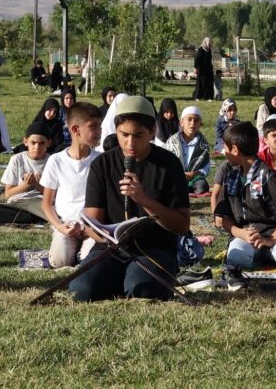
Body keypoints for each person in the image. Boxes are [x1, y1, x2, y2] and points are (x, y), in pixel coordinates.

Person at [68, 96, 190, 302]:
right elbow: (92, 222)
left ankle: (129, 279)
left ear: (153, 132)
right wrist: (106, 237)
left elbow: (182, 225)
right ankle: (119, 277)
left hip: (154, 249)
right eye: (124, 135)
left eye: (138, 135)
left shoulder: (169, 164)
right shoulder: (103, 164)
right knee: (80, 290)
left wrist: (143, 199)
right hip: (110, 249)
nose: (130, 143)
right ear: (116, 130)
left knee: (142, 289)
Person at [215, 122, 276, 269]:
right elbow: (223, 218)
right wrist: (240, 233)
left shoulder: (268, 175)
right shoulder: (230, 177)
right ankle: (261, 257)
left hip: (274, 235)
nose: (224, 152)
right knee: (236, 258)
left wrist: (272, 239)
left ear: (235, 150)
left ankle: (269, 254)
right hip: (245, 237)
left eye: (225, 148)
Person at [40, 102, 102, 267]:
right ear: (75, 130)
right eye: (93, 127)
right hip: (67, 226)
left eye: (100, 127)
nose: (99, 132)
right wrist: (60, 227)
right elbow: (46, 204)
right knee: (60, 261)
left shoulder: (101, 160)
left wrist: (92, 229)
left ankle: (84, 253)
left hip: (93, 228)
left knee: (92, 262)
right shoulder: (57, 161)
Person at [0, 122, 50, 225]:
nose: (37, 147)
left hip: (39, 201)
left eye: (41, 143)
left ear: (48, 143)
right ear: (25, 142)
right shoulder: (17, 159)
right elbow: (8, 194)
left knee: (56, 210)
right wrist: (25, 185)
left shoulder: (52, 161)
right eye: (33, 143)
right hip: (17, 202)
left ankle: (33, 216)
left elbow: (56, 195)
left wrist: (37, 185)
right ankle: (32, 217)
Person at [164, 106, 211, 194]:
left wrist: (194, 173)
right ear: (181, 122)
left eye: (196, 120)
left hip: (195, 177)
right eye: (189, 119)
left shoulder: (203, 144)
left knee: (202, 187)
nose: (192, 123)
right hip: (176, 176)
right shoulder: (172, 142)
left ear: (200, 124)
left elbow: (207, 166)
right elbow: (166, 162)